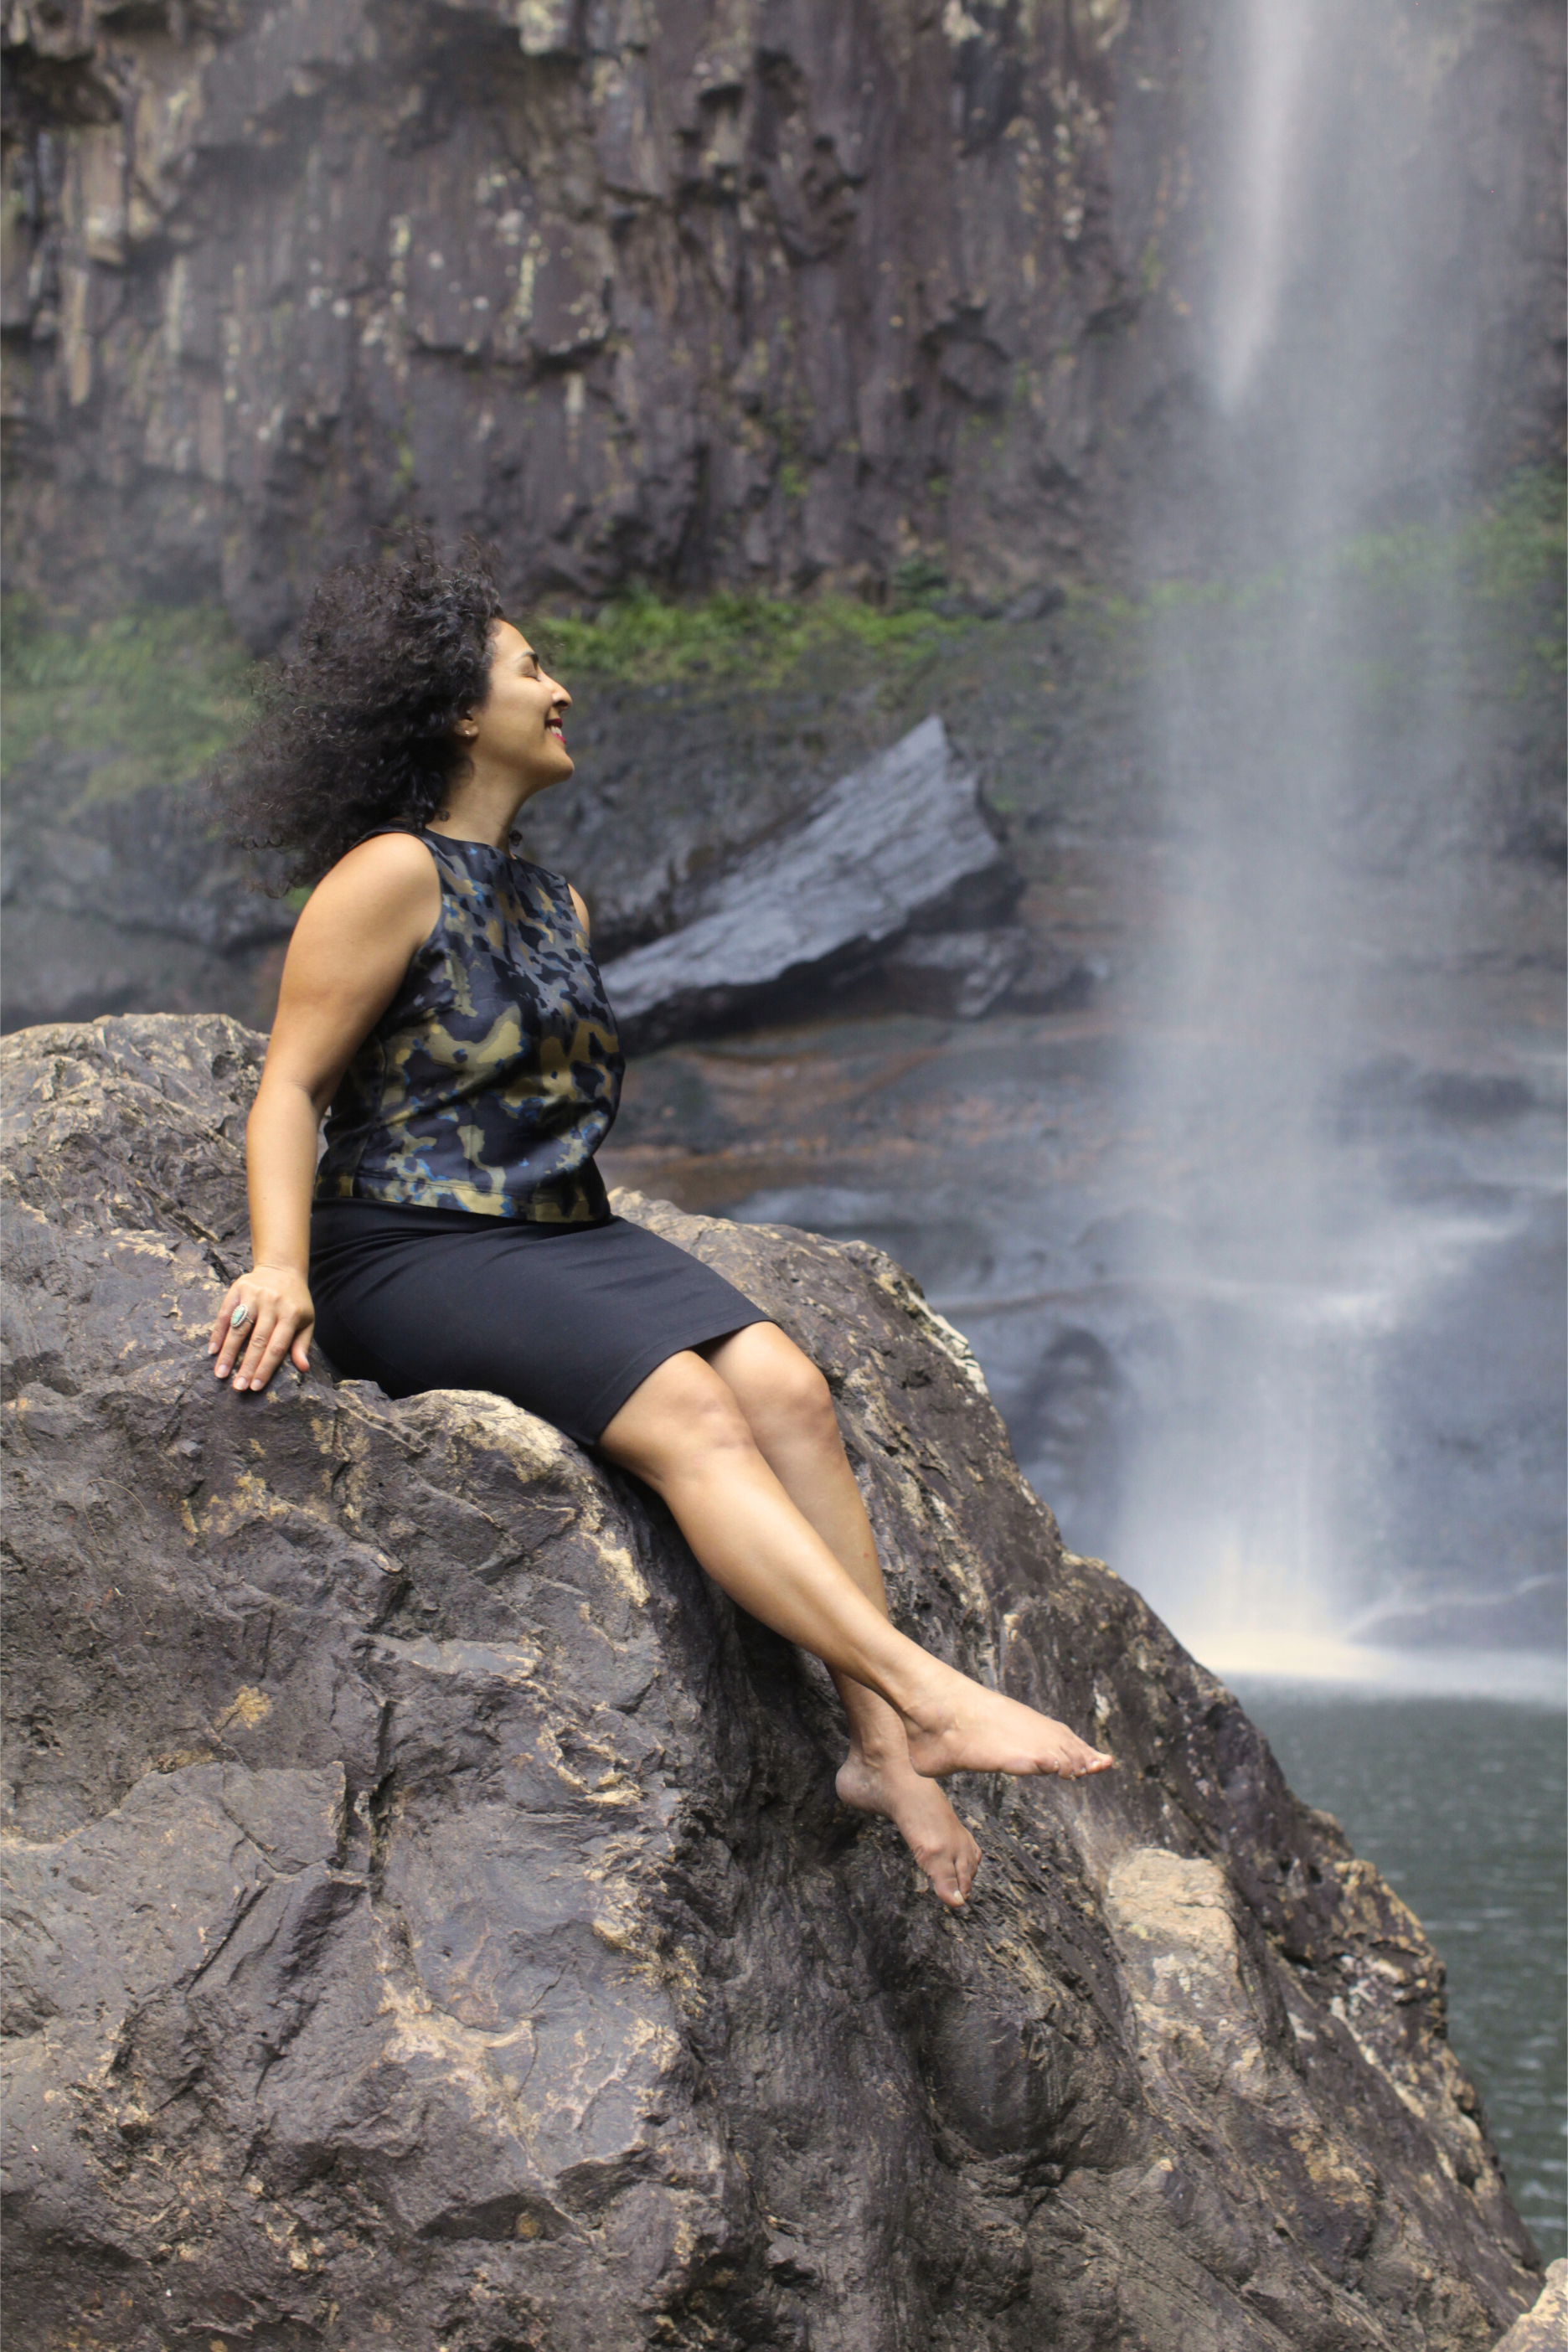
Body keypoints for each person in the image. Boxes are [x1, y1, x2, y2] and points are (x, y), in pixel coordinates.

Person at [207, 544, 1112, 1911]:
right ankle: (926, 1693)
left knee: (789, 1389)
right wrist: (280, 1261)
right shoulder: (390, 874)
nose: (559, 689)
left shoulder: (556, 904)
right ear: (460, 711)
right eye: (530, 670)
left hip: (566, 1236)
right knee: (691, 1411)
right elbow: (292, 1085)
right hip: (407, 1243)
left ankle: (882, 1752)